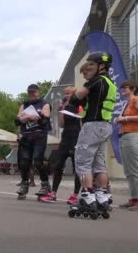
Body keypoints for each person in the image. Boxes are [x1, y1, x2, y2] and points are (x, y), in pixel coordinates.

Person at [67, 51, 116, 217]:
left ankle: (87, 195)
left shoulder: (96, 81)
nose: (89, 67)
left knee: (82, 162)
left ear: (101, 66)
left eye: (92, 65)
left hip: (93, 126)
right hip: (105, 126)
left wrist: (78, 93)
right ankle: (102, 195)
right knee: (99, 163)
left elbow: (75, 98)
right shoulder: (111, 83)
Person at [40, 85, 82, 204]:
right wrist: (60, 110)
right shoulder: (65, 106)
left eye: (68, 93)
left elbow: (82, 120)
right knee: (58, 166)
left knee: (77, 168)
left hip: (77, 138)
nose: (66, 95)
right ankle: (53, 193)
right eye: (65, 93)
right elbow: (62, 124)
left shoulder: (79, 105)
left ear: (74, 94)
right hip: (65, 138)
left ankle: (75, 195)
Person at [14, 84, 52, 200]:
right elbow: (17, 120)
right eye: (30, 93)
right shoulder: (24, 105)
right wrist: (24, 118)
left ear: (38, 92)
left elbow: (46, 119)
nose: (32, 95)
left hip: (39, 135)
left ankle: (45, 184)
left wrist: (38, 117)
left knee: (37, 161)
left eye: (34, 92)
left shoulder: (44, 104)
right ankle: (24, 183)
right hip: (26, 136)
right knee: (24, 162)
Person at [115, 80, 138, 210]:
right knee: (129, 171)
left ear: (133, 88)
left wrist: (125, 119)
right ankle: (134, 198)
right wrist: (119, 119)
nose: (122, 89)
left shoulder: (135, 100)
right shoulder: (126, 104)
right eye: (121, 87)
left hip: (133, 135)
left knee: (134, 169)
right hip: (124, 136)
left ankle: (136, 199)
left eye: (125, 87)